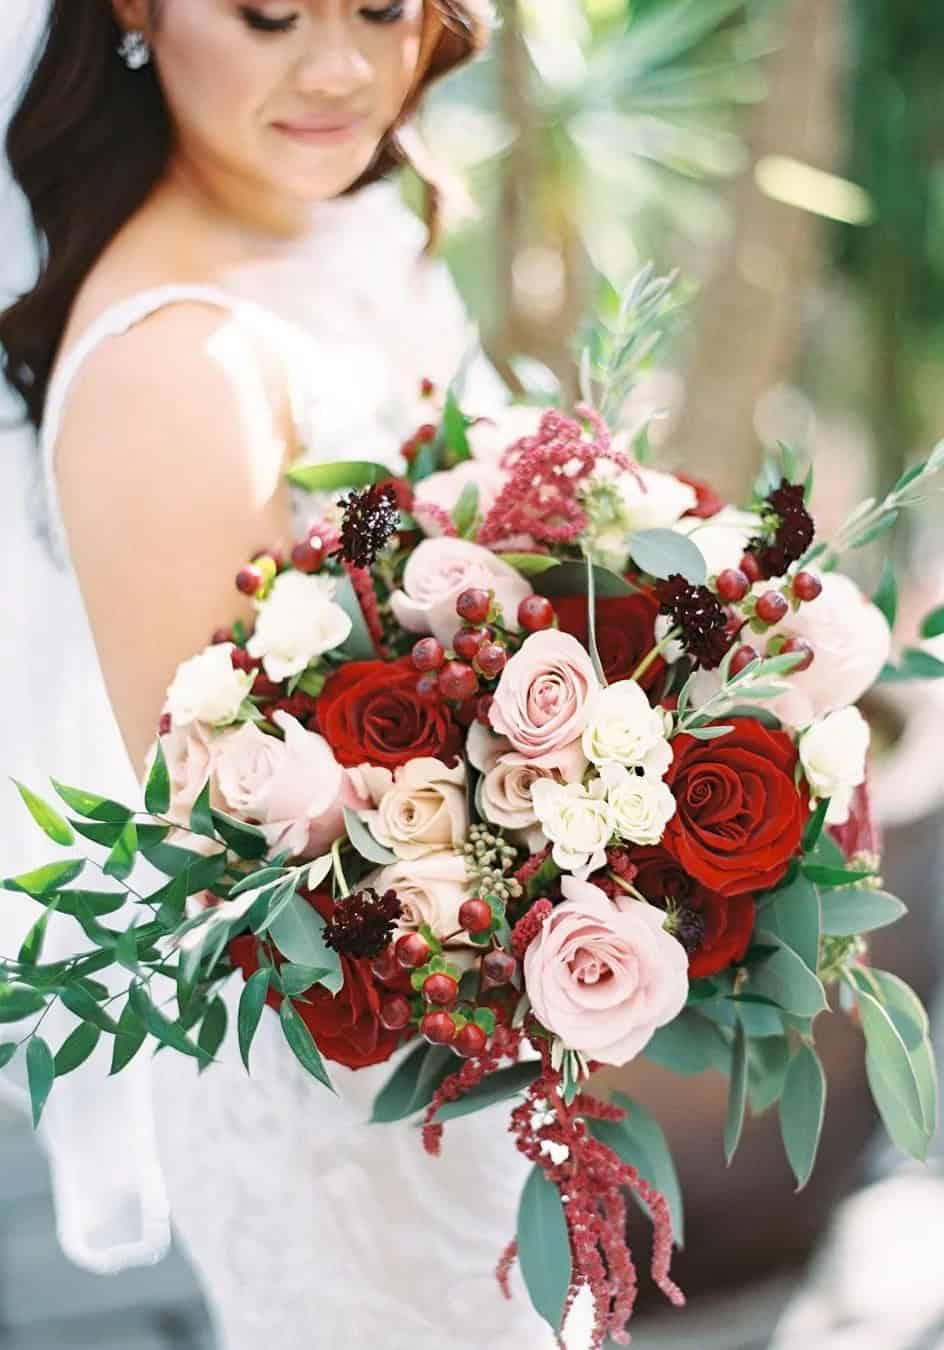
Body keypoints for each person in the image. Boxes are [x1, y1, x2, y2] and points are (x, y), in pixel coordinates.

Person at [0, 4, 568, 1346]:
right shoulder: (168, 370)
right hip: (352, 1085)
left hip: (473, 1035)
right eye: (267, 12)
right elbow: (260, 854)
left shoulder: (347, 217)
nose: (341, 67)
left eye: (379, 6)